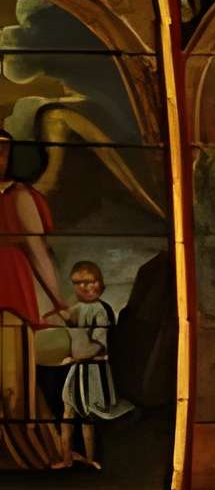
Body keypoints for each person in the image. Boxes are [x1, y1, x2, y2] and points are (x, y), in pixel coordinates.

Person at [0, 126, 67, 470]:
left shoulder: (18, 196)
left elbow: (37, 250)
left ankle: (26, 454)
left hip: (9, 287)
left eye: (3, 150)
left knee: (10, 379)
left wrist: (58, 301)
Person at [55, 260, 129, 468]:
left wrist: (76, 357)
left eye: (90, 281)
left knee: (88, 415)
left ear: (99, 282)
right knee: (68, 412)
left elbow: (99, 345)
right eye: (79, 283)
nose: (85, 287)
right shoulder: (75, 309)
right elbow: (69, 334)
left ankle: (90, 459)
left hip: (93, 370)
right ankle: (67, 458)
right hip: (76, 369)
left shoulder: (101, 311)